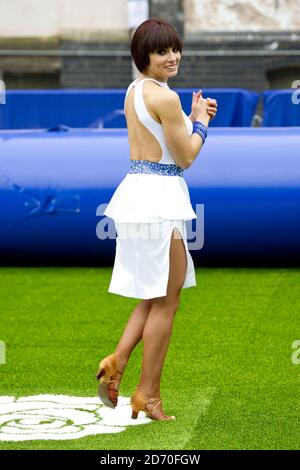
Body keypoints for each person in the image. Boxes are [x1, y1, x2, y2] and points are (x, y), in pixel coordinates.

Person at [96, 17, 217, 421]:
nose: (172, 57)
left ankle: (118, 359)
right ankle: (147, 394)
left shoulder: (135, 90)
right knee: (168, 298)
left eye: (174, 49)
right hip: (159, 202)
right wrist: (200, 121)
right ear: (143, 56)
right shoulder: (165, 98)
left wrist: (193, 115)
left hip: (137, 196)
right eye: (161, 51)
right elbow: (185, 157)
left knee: (154, 293)